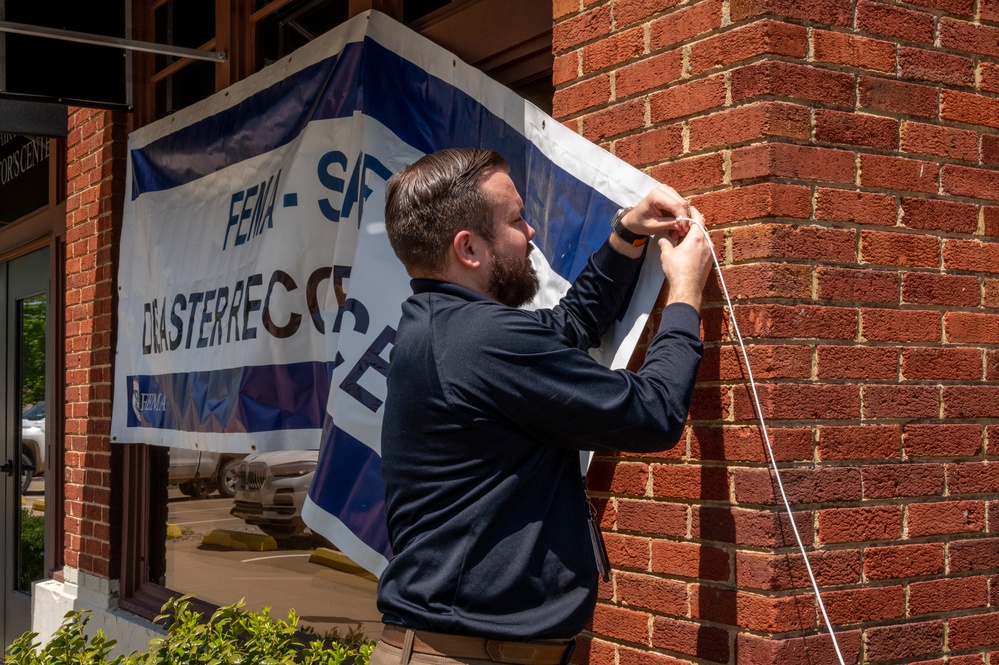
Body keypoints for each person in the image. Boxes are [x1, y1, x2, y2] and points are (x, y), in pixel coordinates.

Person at [373, 148, 713, 665]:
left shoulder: (443, 324)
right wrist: (686, 291)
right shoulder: (481, 339)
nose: (530, 232)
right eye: (515, 220)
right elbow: (653, 413)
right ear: (469, 247)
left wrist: (627, 234)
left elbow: (568, 326)